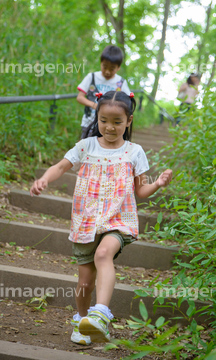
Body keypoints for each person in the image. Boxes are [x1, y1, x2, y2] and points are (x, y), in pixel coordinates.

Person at [30, 91, 172, 345]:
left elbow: (140, 191)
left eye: (117, 122)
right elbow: (61, 166)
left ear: (128, 121)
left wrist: (158, 183)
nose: (109, 127)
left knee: (104, 254)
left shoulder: (134, 151)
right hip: (86, 221)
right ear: (97, 117)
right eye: (104, 120)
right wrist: (44, 179)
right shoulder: (86, 146)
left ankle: (100, 315)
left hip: (118, 219)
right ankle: (83, 321)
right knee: (85, 281)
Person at [77, 45, 131, 139]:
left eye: (112, 69)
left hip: (110, 126)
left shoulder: (120, 82)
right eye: (104, 67)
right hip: (89, 122)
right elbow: (80, 97)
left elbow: (128, 101)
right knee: (85, 148)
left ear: (118, 68)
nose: (107, 72)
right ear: (101, 63)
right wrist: (94, 105)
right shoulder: (92, 77)